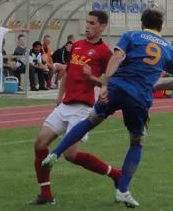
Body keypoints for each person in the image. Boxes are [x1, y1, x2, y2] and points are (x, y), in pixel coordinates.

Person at [42, 8, 173, 208]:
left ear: (142, 24)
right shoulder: (168, 48)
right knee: (136, 142)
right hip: (139, 97)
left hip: (117, 88)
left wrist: (105, 84)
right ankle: (122, 190)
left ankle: (55, 153)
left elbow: (116, 58)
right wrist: (157, 86)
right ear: (161, 27)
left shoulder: (132, 35)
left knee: (90, 121)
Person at [29, 11, 121, 205]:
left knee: (71, 155)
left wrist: (92, 78)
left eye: (92, 23)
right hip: (65, 104)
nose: (87, 26)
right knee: (39, 143)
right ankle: (46, 195)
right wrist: (58, 98)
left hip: (82, 109)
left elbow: (107, 83)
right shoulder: (77, 45)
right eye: (86, 22)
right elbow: (68, 72)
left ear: (102, 26)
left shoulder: (105, 52)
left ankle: (116, 174)